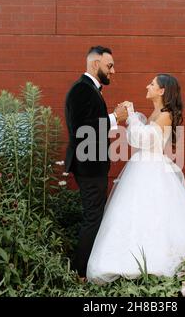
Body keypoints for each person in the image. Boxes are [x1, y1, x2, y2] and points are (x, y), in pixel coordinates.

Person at [86, 74, 185, 284]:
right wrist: (134, 115)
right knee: (135, 212)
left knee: (150, 213)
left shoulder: (165, 114)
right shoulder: (157, 112)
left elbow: (142, 138)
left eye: (152, 84)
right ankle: (125, 256)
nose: (147, 86)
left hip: (151, 169)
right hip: (142, 166)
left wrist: (131, 115)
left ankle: (149, 259)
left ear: (162, 91)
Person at [64, 46, 128, 280]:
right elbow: (82, 129)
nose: (113, 71)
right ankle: (80, 273)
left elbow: (90, 123)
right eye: (109, 66)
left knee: (94, 215)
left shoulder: (90, 89)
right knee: (94, 217)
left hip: (91, 165)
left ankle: (84, 269)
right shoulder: (82, 89)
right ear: (95, 64)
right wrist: (114, 117)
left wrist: (111, 118)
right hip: (89, 166)